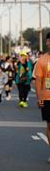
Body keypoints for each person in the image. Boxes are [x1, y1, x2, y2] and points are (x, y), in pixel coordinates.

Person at [34, 32, 50, 162]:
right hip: (47, 97)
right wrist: (39, 97)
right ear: (47, 43)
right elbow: (38, 80)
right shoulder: (42, 60)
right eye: (49, 41)